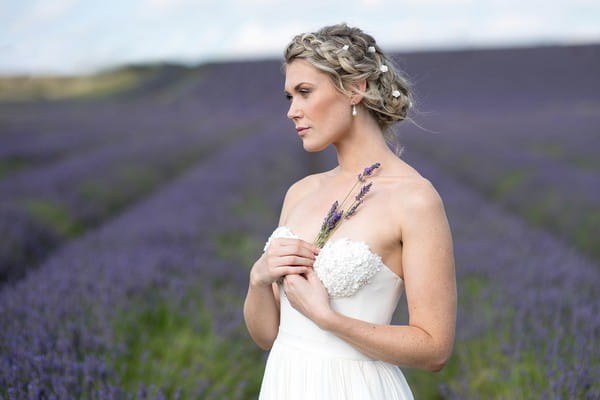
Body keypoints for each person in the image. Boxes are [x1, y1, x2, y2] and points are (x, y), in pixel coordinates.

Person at [243, 22, 456, 400]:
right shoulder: (300, 192)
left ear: (356, 88)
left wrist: (329, 320)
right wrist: (259, 278)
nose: (293, 111)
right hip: (283, 384)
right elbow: (268, 336)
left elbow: (434, 348)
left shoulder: (415, 199)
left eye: (305, 92)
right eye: (289, 96)